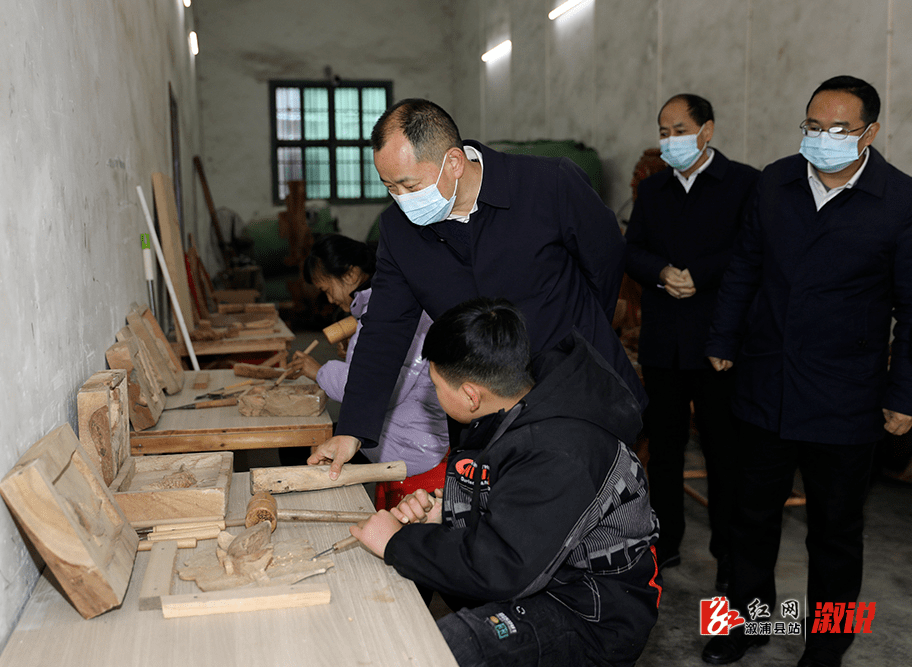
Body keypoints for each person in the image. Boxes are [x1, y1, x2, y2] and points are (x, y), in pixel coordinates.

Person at [308, 98, 645, 476]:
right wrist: (352, 430)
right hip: (480, 412)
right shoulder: (399, 232)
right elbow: (385, 327)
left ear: (453, 162)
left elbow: (605, 261)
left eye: (408, 184)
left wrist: (577, 329)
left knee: (595, 518)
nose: (401, 200)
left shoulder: (546, 183)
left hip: (578, 393)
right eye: (390, 188)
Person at [702, 76, 912, 667]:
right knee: (747, 519)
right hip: (764, 385)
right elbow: (745, 264)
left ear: (870, 132)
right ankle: (740, 626)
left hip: (845, 397)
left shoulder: (899, 201)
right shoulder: (775, 182)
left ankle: (828, 641)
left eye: (839, 129)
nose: (823, 139)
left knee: (836, 533)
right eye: (813, 126)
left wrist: (904, 394)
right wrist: (722, 336)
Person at [351, 298, 661, 667]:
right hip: (541, 573)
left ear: (470, 394)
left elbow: (505, 567)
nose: (432, 394)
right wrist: (444, 512)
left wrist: (397, 543)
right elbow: (511, 502)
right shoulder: (511, 405)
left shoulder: (562, 451)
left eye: (435, 386)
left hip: (590, 610)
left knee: (447, 648)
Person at [625, 94, 759, 585]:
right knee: (664, 449)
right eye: (663, 132)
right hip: (663, 342)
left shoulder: (744, 183)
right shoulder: (654, 188)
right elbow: (631, 248)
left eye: (678, 129)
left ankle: (729, 552)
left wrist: (696, 275)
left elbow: (751, 251)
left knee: (725, 452)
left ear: (707, 131)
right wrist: (660, 272)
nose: (669, 140)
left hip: (718, 343)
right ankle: (667, 541)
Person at [286, 234, 448, 482]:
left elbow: (379, 387)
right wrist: (354, 355)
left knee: (296, 451)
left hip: (411, 445)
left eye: (327, 289)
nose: (330, 299)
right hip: (399, 431)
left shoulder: (389, 310)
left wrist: (319, 371)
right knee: (301, 443)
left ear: (350, 275)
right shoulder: (376, 307)